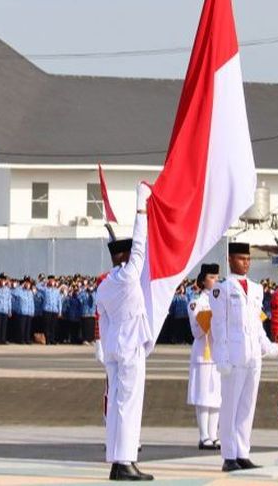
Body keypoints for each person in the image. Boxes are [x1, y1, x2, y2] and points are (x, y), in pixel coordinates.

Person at [95, 182, 153, 481]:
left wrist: (104, 349)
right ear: (125, 257)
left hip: (115, 349)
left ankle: (117, 460)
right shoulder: (130, 277)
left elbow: (102, 320)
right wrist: (141, 206)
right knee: (129, 406)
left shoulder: (105, 286)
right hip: (130, 350)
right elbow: (141, 244)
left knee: (117, 404)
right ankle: (126, 461)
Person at [211, 241, 278, 472]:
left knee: (247, 406)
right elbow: (218, 325)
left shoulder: (257, 289)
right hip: (233, 355)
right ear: (230, 260)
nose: (246, 263)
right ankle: (229, 455)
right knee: (230, 406)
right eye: (241, 259)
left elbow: (257, 325)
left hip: (253, 356)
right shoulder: (221, 289)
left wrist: (271, 348)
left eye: (248, 259)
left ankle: (242, 452)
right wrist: (220, 358)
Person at [187, 263, 222, 450]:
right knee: (203, 397)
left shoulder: (221, 300)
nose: (216, 280)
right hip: (203, 352)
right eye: (212, 277)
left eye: (217, 277)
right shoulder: (196, 303)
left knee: (216, 396)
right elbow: (197, 332)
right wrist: (210, 319)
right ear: (203, 280)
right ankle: (204, 436)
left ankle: (214, 434)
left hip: (218, 353)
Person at [38, 276, 63, 345]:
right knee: (47, 326)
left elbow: (59, 301)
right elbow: (38, 287)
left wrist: (60, 311)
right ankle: (47, 340)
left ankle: (52, 339)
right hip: (47, 310)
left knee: (53, 326)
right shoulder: (45, 289)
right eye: (50, 281)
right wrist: (44, 282)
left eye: (53, 281)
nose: (52, 282)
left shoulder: (57, 291)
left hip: (54, 310)